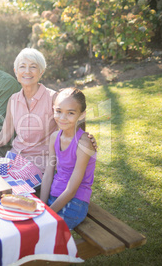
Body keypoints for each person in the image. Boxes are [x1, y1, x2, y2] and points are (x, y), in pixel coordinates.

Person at [0, 48, 96, 174]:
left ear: (41, 72)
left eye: (33, 67)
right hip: (13, 160)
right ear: (16, 71)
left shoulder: (53, 98)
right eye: (22, 66)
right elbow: (3, 137)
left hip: (40, 165)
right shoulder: (13, 100)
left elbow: (74, 118)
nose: (27, 71)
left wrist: (85, 137)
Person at [40, 87, 97, 230]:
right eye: (58, 111)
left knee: (42, 233)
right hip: (54, 196)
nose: (63, 118)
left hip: (75, 203)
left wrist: (48, 214)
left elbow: (72, 189)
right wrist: (41, 207)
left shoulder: (83, 143)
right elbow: (48, 174)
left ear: (82, 115)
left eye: (70, 113)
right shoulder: (54, 137)